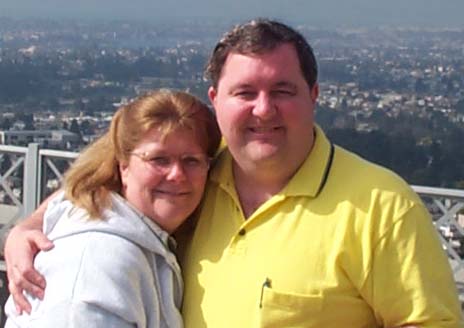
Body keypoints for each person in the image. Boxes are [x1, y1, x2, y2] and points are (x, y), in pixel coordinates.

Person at [4, 19, 463, 328]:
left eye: (283, 89)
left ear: (315, 95)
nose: (264, 109)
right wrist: (28, 226)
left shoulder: (382, 207)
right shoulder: (197, 169)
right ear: (215, 99)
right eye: (245, 92)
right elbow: (107, 179)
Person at [3, 89, 221, 327]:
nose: (177, 174)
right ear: (123, 167)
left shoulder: (140, 239)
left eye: (192, 161)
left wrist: (29, 223)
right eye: (159, 159)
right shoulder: (97, 264)